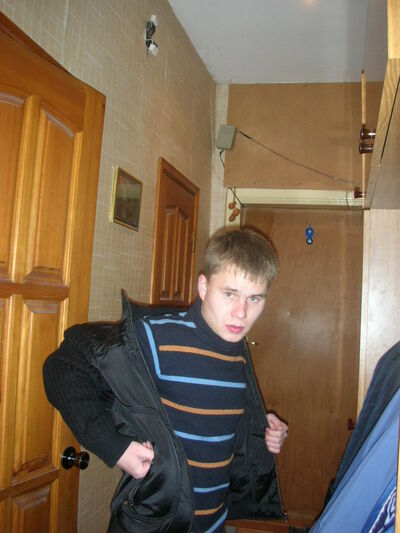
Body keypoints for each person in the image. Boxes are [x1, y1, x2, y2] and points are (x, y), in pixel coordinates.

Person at [43, 227, 288, 533]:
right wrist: (114, 447)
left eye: (254, 298)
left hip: (214, 524)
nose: (241, 313)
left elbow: (211, 419)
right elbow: (61, 367)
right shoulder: (157, 337)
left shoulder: (237, 351)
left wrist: (259, 427)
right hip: (156, 523)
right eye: (230, 294)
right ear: (203, 286)